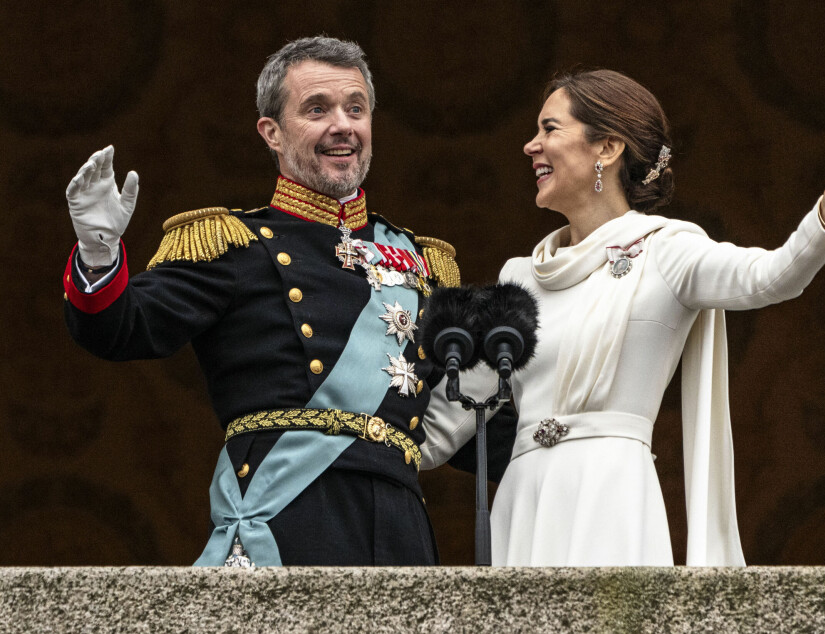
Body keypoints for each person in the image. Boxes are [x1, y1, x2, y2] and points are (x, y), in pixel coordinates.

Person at [421, 69, 825, 566]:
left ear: (607, 146)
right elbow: (446, 423)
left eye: (549, 129)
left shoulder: (667, 251)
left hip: (609, 493)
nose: (531, 145)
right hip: (524, 500)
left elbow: (770, 276)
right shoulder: (518, 276)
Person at [62, 35, 513, 567]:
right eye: (316, 110)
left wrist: (588, 446)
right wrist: (98, 252)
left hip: (398, 526)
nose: (342, 125)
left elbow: (475, 423)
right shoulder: (234, 244)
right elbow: (120, 329)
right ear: (271, 133)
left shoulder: (423, 262)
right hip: (287, 519)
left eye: (356, 109)